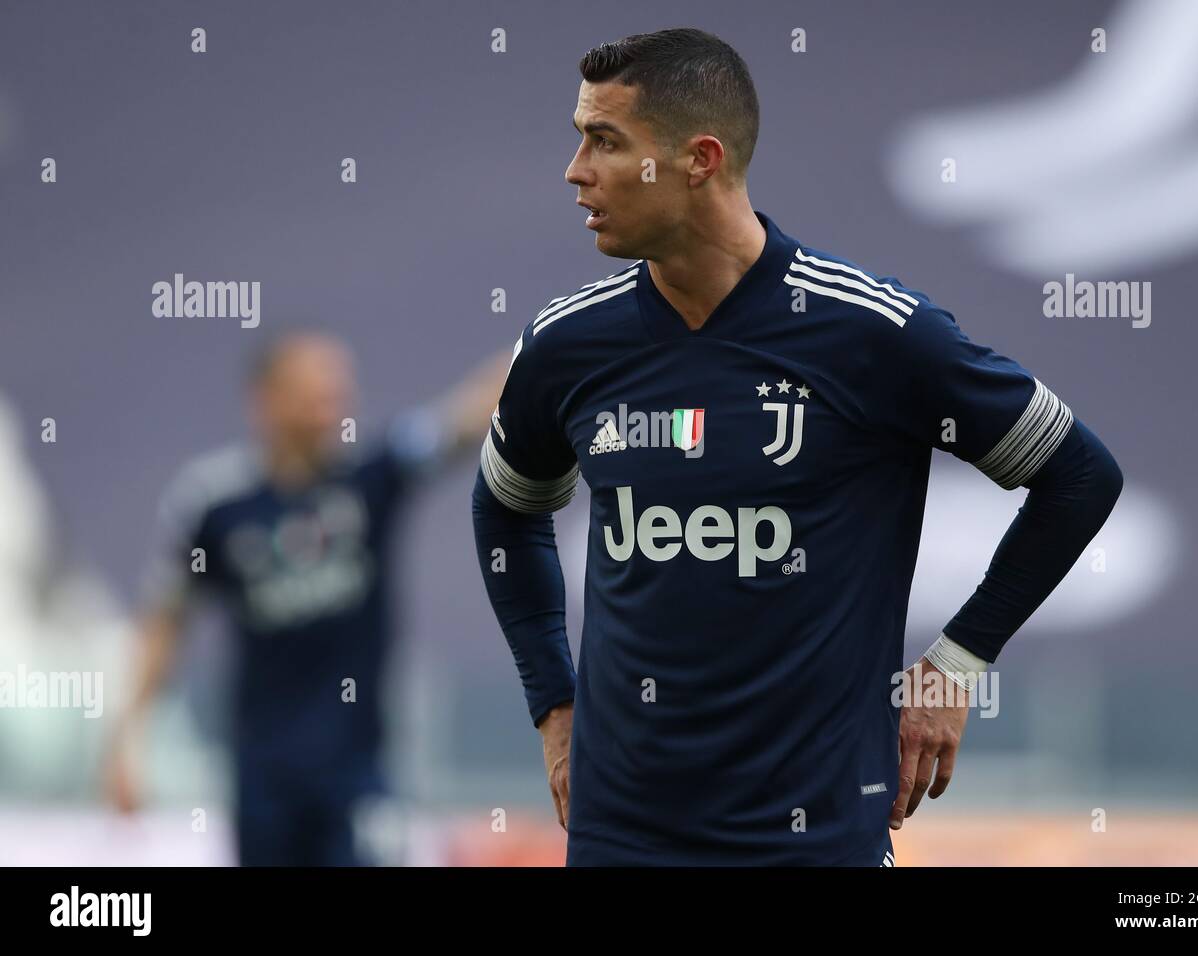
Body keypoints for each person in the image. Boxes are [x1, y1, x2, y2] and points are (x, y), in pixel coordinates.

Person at [472, 28, 1123, 866]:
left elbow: (1078, 475)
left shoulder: (873, 334)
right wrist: (553, 704)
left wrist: (955, 664)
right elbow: (507, 509)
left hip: (817, 841)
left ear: (700, 158)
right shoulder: (567, 344)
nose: (575, 170)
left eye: (604, 141)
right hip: (620, 837)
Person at [106, 331, 506, 865]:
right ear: (266, 399)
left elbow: (459, 420)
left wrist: (545, 341)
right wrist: (127, 737)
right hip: (264, 780)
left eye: (340, 391)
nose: (335, 404)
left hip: (362, 771)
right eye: (316, 391)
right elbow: (164, 621)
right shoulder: (216, 505)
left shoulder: (371, 479)